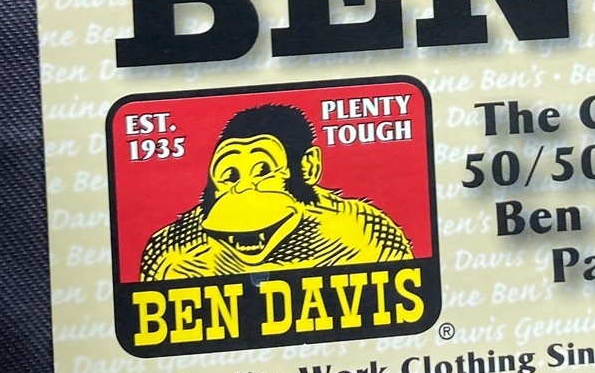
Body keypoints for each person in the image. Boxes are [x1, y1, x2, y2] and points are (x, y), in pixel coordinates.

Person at [140, 104, 413, 278]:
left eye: (263, 171)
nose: (243, 189)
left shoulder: (366, 232)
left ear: (308, 167)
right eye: (230, 176)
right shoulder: (173, 250)